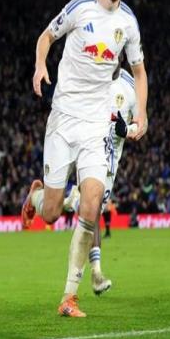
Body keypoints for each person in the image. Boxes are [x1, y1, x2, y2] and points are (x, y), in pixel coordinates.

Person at [22, 0, 148, 317]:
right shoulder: (80, 7)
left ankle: (69, 296)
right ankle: (35, 197)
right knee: (50, 213)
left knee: (92, 202)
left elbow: (139, 72)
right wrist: (40, 65)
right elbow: (46, 36)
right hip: (63, 120)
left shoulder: (128, 23)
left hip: (95, 125)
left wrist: (142, 114)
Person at [64, 66, 139, 296]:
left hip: (111, 162)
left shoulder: (131, 85)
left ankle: (68, 201)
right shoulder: (91, 72)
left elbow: (141, 125)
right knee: (93, 211)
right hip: (89, 152)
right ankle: (96, 273)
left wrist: (127, 129)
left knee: (90, 211)